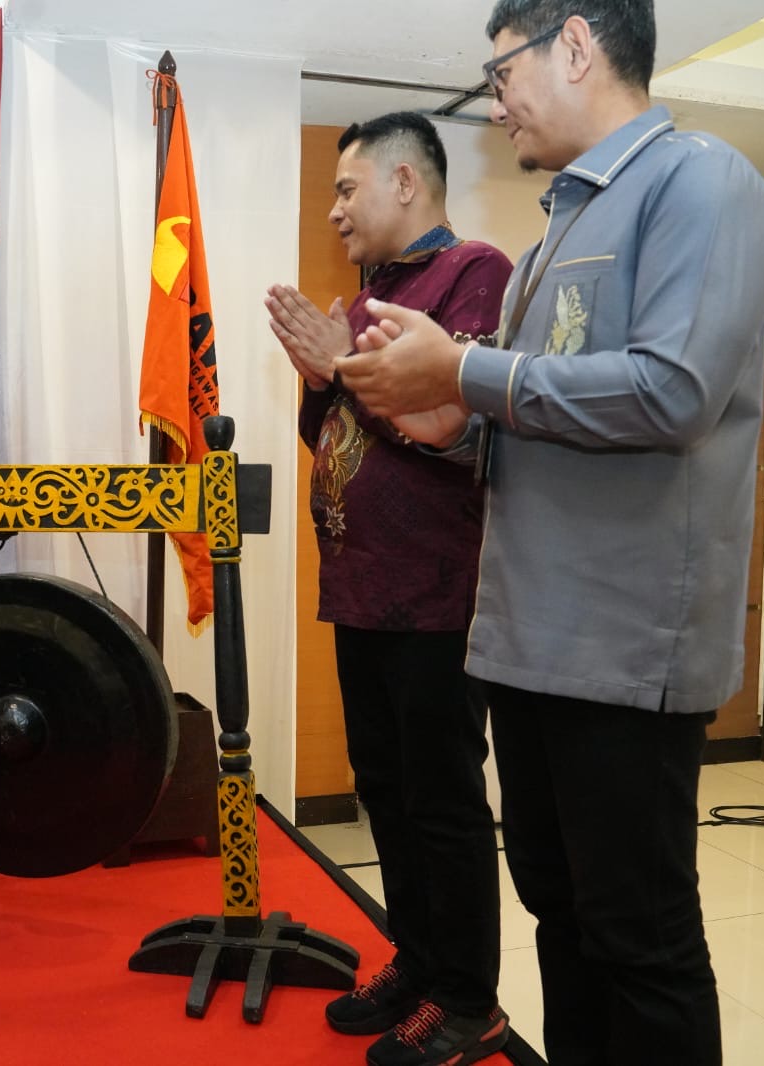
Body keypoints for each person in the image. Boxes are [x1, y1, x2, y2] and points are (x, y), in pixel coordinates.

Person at [336, 3, 764, 1064]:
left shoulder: (703, 185)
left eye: (501, 74)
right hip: (528, 644)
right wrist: (440, 411)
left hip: (623, 651)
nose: (494, 104)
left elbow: (671, 395)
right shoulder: (556, 234)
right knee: (561, 917)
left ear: (576, 45)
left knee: (638, 938)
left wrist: (462, 371)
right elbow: (524, 423)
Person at [265, 112, 513, 1066]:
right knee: (385, 788)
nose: (333, 210)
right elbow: (341, 439)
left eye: (346, 188)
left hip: (438, 593)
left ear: (407, 182)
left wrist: (345, 368)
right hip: (362, 586)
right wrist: (323, 380)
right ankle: (418, 960)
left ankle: (468, 1001)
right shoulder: (376, 291)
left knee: (442, 798)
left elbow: (453, 423)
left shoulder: (474, 273)